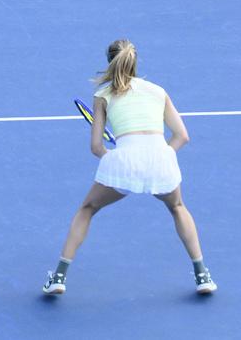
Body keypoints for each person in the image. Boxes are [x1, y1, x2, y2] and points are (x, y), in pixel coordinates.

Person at [42, 39, 217, 296]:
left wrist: (116, 160)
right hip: (161, 160)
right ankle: (203, 276)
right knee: (178, 207)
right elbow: (182, 136)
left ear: (109, 62)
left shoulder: (102, 95)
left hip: (124, 162)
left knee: (88, 209)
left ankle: (58, 277)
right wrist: (162, 155)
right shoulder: (158, 91)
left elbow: (96, 147)